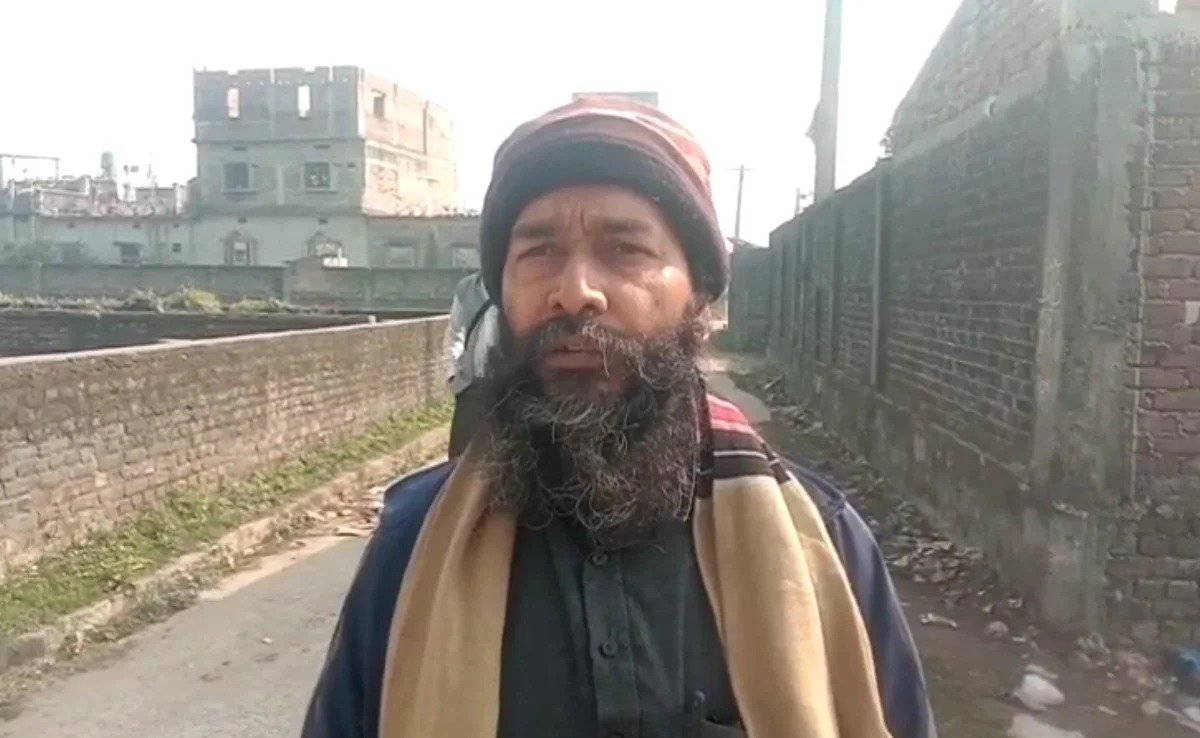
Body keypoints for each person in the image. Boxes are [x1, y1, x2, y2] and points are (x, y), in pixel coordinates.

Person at [303, 97, 935, 738]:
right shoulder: (413, 544)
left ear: (698, 294)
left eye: (625, 249)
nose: (575, 292)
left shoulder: (822, 543)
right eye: (539, 251)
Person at [446, 271, 499, 456]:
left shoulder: (519, 285)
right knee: (460, 456)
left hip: (506, 389)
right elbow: (455, 334)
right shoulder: (467, 288)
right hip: (471, 387)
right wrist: (454, 375)